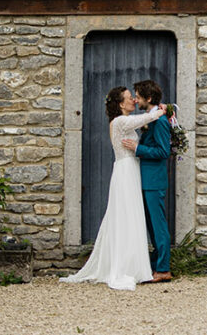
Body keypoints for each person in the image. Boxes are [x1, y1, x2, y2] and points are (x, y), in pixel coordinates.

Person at [61, 86, 165, 290]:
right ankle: (126, 265)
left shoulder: (124, 122)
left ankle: (134, 262)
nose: (134, 101)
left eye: (134, 98)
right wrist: (163, 110)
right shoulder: (120, 121)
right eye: (129, 98)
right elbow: (144, 120)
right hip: (126, 171)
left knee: (131, 216)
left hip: (130, 169)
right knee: (127, 216)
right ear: (120, 103)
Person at [121, 79, 172, 282]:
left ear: (148, 98)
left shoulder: (159, 122)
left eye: (139, 97)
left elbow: (163, 151)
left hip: (154, 180)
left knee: (158, 226)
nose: (136, 99)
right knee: (151, 225)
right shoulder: (153, 117)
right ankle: (156, 265)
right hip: (146, 180)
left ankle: (163, 269)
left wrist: (137, 149)